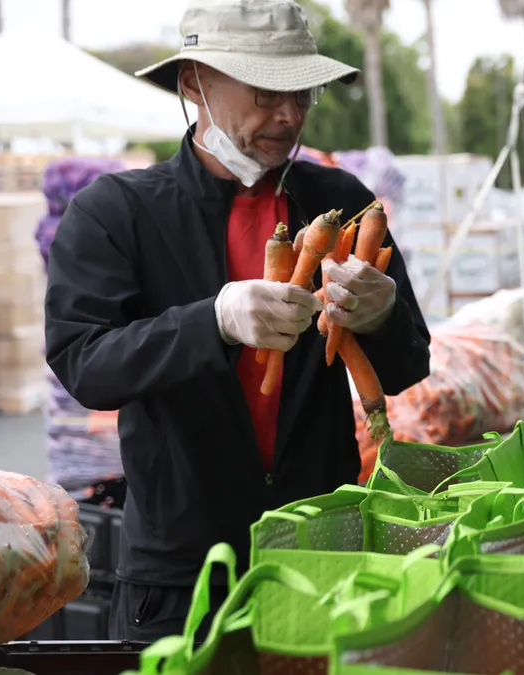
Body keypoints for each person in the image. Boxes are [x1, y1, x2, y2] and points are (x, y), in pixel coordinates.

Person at [44, 0, 431, 643]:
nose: (289, 114)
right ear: (193, 83)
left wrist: (382, 312)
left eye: (301, 93)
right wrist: (212, 322)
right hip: (181, 570)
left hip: (321, 547)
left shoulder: (341, 200)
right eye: (265, 92)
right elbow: (86, 364)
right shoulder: (116, 212)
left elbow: (408, 365)